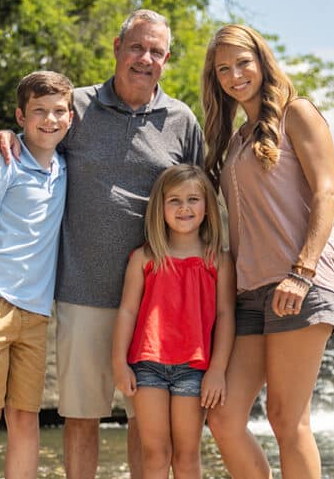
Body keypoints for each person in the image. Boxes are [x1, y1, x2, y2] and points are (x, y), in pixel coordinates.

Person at [0, 9, 204, 479]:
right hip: (82, 291)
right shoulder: (74, 108)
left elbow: (203, 206)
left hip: (157, 302)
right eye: (137, 47)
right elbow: (33, 138)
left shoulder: (182, 120)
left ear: (167, 60)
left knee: (148, 424)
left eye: (156, 52)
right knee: (81, 418)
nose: (145, 58)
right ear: (117, 48)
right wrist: (5, 134)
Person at [200, 24, 334, 479]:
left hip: (300, 285)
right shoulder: (235, 139)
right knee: (223, 418)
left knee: (287, 419)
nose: (234, 75)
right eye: (223, 69)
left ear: (262, 62)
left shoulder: (297, 113)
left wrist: (301, 272)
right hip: (250, 293)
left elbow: (328, 194)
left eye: (242, 63)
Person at [0, 70, 74, 479]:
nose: (50, 120)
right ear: (21, 116)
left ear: (70, 118)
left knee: (25, 419)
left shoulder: (64, 167)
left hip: (35, 314)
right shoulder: (0, 162)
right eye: (39, 111)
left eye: (59, 111)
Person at [111, 164, 235, 479]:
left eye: (193, 199)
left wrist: (218, 370)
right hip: (148, 364)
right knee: (155, 453)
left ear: (207, 207)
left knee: (187, 456)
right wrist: (118, 362)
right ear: (160, 208)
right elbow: (127, 311)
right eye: (174, 201)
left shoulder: (218, 261)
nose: (184, 208)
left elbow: (225, 317)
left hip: (195, 370)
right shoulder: (145, 258)